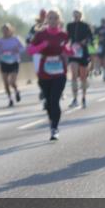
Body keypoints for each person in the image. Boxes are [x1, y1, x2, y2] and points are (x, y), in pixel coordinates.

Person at [26, 10, 72, 140]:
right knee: (48, 102)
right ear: (47, 20)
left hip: (59, 72)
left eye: (55, 18)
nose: (52, 20)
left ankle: (54, 128)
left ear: (59, 20)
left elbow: (68, 50)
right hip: (44, 73)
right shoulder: (41, 35)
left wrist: (69, 50)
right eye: (50, 18)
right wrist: (42, 46)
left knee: (55, 100)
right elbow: (29, 50)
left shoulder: (63, 35)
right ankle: (52, 122)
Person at [65, 10, 93, 108]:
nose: (76, 16)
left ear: (81, 15)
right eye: (75, 15)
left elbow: (91, 38)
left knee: (83, 77)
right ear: (73, 15)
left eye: (78, 15)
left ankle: (84, 98)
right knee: (73, 75)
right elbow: (66, 38)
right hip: (73, 53)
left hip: (83, 53)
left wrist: (85, 41)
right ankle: (75, 99)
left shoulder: (85, 26)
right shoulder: (69, 26)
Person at [0, 23, 24, 107]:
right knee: (5, 82)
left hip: (14, 61)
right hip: (4, 61)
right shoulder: (0, 41)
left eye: (7, 30)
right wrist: (0, 50)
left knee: (12, 82)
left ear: (11, 30)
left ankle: (16, 91)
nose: (5, 32)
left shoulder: (16, 39)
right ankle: (10, 99)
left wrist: (16, 50)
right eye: (4, 30)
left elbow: (23, 48)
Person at [27, 9, 47, 104]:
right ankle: (43, 89)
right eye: (42, 15)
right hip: (37, 53)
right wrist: (32, 42)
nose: (43, 17)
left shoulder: (51, 26)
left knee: (49, 71)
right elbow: (28, 39)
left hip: (48, 53)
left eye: (45, 15)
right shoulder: (34, 28)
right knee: (39, 73)